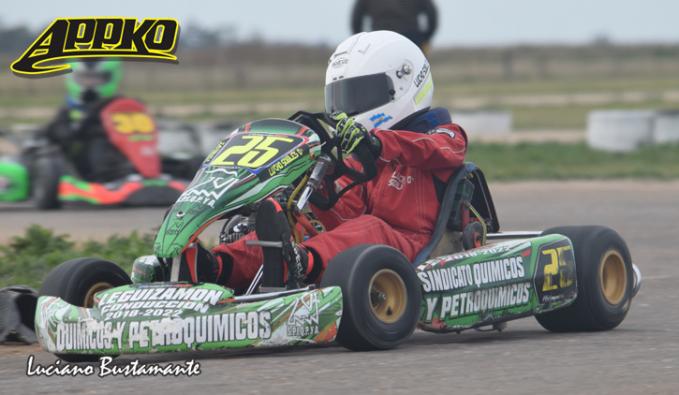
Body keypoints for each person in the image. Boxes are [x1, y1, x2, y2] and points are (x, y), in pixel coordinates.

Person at [203, 31, 467, 292]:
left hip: (413, 247)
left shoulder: (443, 135)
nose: (350, 109)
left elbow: (433, 150)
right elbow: (342, 212)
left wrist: (379, 143)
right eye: (343, 98)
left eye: (360, 95)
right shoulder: (362, 159)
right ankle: (217, 265)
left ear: (404, 81)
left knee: (368, 228)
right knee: (298, 226)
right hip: (363, 251)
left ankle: (300, 263)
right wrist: (313, 187)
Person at [34, 60, 133, 181]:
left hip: (121, 153)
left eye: (97, 79)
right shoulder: (69, 110)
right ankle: (105, 178)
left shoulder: (121, 106)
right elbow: (57, 133)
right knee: (98, 140)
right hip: (84, 161)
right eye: (85, 78)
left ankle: (144, 172)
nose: (91, 84)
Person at [351, 0, 438, 53]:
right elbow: (431, 13)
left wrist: (363, 42)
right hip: (410, 40)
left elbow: (356, 18)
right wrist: (425, 38)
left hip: (380, 42)